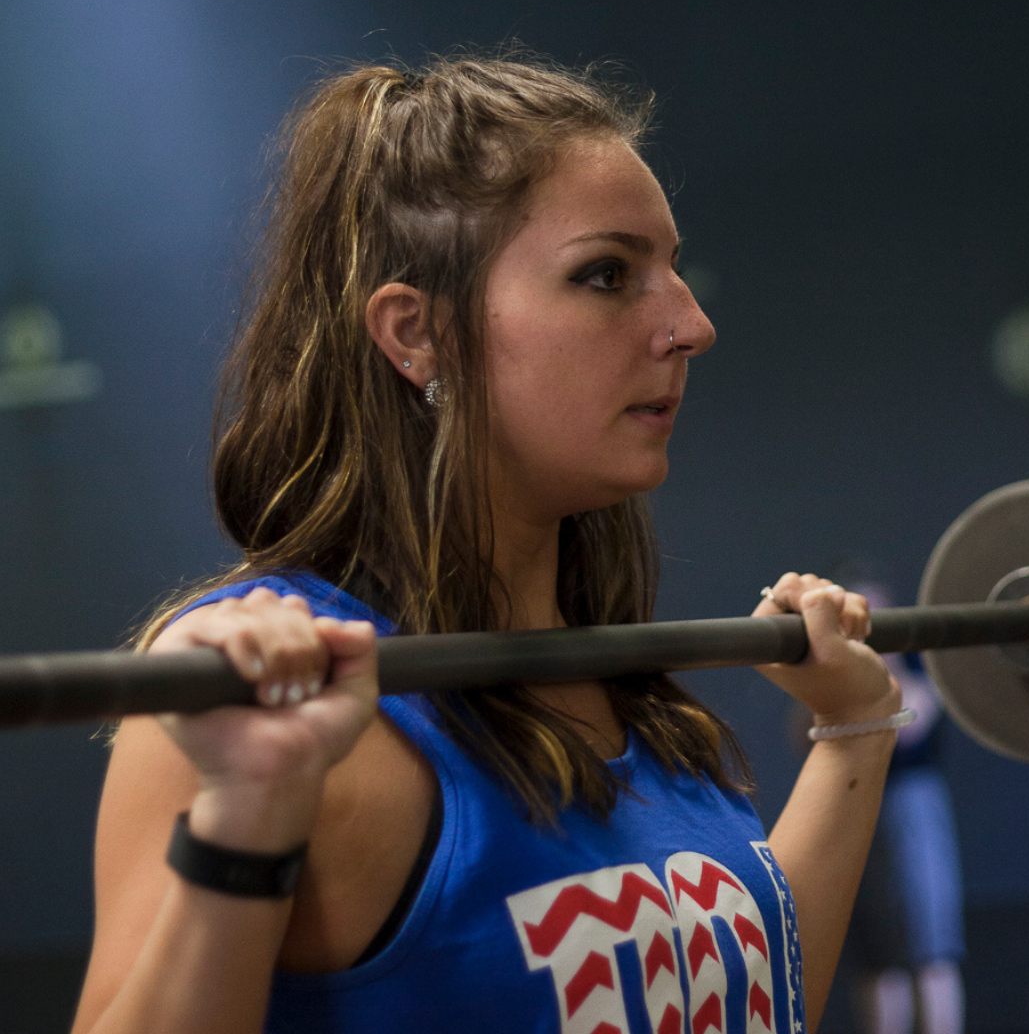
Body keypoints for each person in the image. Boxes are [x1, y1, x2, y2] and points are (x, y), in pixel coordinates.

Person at [71, 55, 905, 1034]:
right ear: (417, 334)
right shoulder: (256, 698)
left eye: (673, 270)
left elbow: (743, 1000)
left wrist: (859, 728)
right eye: (607, 274)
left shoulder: (643, 703)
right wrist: (244, 818)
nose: (692, 323)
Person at [838, 578, 966, 1034]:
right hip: (857, 809)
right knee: (874, 954)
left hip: (911, 812)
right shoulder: (841, 677)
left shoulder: (916, 668)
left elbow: (905, 726)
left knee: (929, 947)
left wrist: (874, 679)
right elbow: (806, 734)